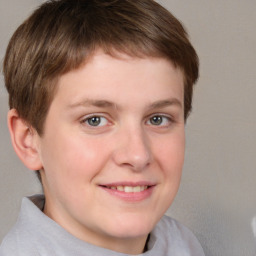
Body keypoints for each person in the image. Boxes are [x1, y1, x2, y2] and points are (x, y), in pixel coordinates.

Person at [0, 0, 204, 255]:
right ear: (28, 140)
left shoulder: (183, 244)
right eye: (94, 120)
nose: (138, 155)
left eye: (157, 119)